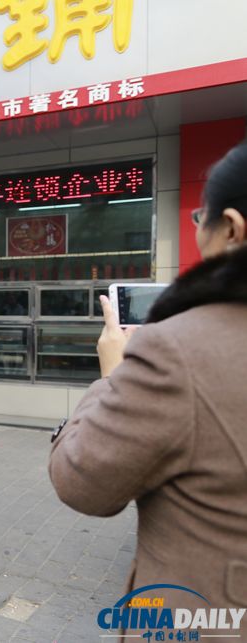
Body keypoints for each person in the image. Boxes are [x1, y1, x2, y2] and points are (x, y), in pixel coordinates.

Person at [49, 143, 247, 634]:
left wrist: (112, 374)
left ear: (232, 228)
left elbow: (83, 483)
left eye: (200, 217)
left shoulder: (176, 350)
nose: (198, 231)